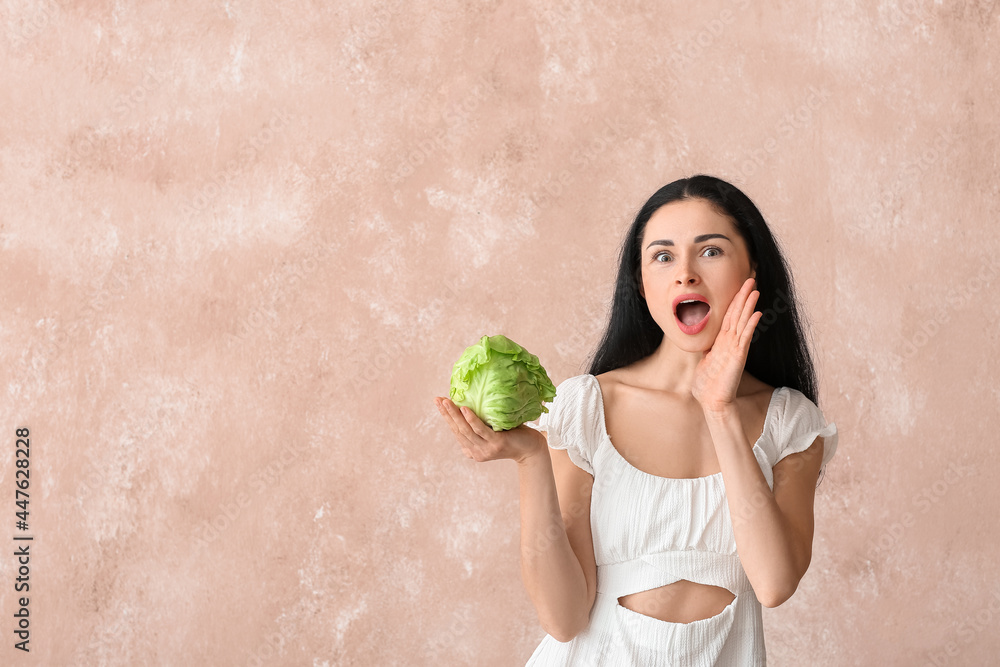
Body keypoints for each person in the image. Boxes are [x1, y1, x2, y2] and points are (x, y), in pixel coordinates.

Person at [433, 174, 838, 665]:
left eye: (710, 251)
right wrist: (530, 459)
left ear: (752, 268)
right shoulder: (586, 408)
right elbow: (564, 619)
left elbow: (774, 584)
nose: (685, 274)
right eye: (663, 256)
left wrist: (719, 409)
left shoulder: (791, 423)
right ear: (642, 285)